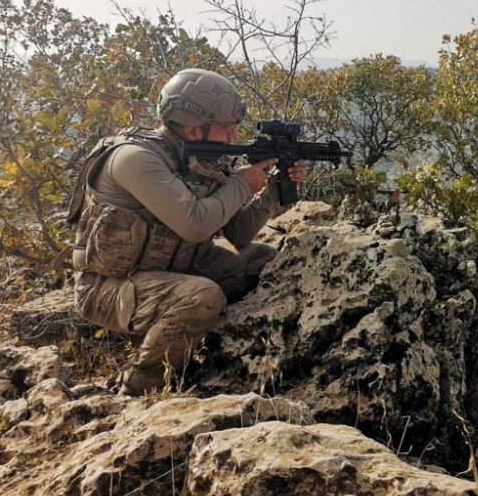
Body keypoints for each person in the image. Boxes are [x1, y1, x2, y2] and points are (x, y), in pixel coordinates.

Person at [67, 68, 304, 395]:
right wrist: (240, 183)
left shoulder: (201, 159)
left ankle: (206, 345)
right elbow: (194, 225)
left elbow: (238, 235)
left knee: (261, 262)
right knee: (203, 296)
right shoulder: (135, 158)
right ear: (194, 129)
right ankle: (143, 387)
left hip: (171, 271)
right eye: (226, 129)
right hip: (109, 286)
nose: (233, 137)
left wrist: (272, 189)